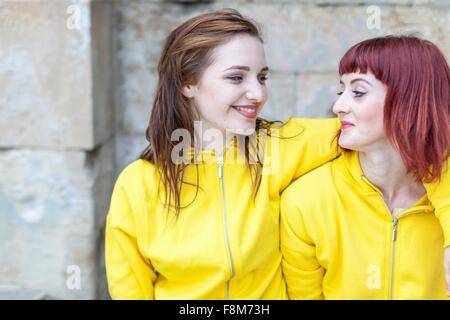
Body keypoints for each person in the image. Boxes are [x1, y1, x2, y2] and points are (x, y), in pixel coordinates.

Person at [104, 9, 340, 299]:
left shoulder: (281, 147)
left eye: (262, 77)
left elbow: (364, 126)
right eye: (236, 77)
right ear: (187, 83)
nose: (258, 93)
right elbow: (130, 290)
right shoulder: (137, 184)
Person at [280, 35, 450, 299]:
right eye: (342, 91)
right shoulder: (306, 201)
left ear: (410, 100)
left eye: (358, 92)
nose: (338, 106)